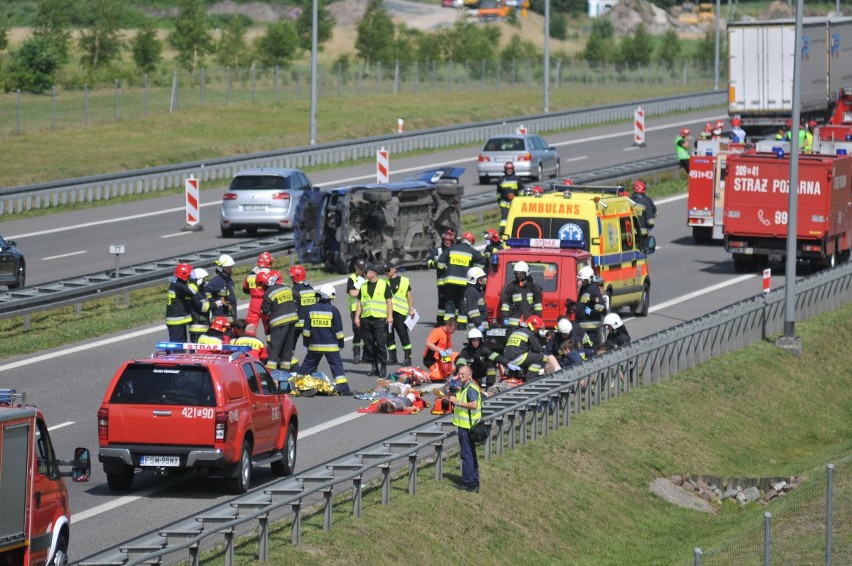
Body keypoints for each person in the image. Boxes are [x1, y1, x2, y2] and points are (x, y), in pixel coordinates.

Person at [298, 285, 351, 395]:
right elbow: (339, 332)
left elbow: (306, 331)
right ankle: (343, 388)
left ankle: (298, 384)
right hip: (331, 346)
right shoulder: (333, 310)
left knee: (308, 365)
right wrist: (341, 343)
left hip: (314, 345)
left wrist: (306, 344)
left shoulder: (311, 309)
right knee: (336, 366)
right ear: (330, 296)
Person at [355, 264, 394, 378]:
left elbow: (389, 301)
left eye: (366, 272)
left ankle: (383, 367)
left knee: (381, 343)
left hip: (380, 319)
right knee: (369, 344)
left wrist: (390, 316)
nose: (365, 274)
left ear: (373, 273)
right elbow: (359, 303)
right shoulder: (363, 286)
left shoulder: (383, 284)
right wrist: (357, 317)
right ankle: (374, 367)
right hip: (366, 319)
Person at [437, 231, 484, 322]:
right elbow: (482, 261)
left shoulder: (451, 248)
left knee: (450, 302)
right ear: (471, 241)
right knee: (462, 302)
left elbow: (440, 263)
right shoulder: (472, 251)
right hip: (464, 282)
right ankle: (462, 324)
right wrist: (474, 270)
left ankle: (449, 322)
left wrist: (446, 268)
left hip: (450, 282)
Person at [449, 364, 482, 493]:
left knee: (467, 455)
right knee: (471, 455)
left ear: (470, 375)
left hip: (467, 427)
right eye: (460, 373)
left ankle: (468, 483)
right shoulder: (465, 387)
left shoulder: (470, 389)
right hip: (468, 426)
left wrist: (457, 402)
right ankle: (474, 482)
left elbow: (474, 405)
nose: (461, 375)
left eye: (463, 373)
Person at [261, 269, 299, 371]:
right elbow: (298, 296)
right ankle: (285, 371)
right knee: (287, 347)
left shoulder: (268, 292)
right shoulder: (286, 288)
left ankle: (271, 372)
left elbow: (265, 310)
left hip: (278, 323)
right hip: (292, 321)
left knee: (275, 348)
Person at [384, 261, 415, 366]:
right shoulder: (384, 283)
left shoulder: (404, 281)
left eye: (388, 270)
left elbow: (409, 296)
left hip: (400, 313)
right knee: (389, 335)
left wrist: (411, 309)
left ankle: (408, 357)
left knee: (403, 334)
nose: (386, 273)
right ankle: (392, 357)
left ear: (394, 269)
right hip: (388, 313)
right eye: (384, 271)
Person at [499, 261, 542, 328]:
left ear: (526, 273)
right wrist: (505, 317)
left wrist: (538, 318)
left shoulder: (533, 287)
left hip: (529, 322)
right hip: (514, 322)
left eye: (521, 273)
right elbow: (505, 303)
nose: (519, 275)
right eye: (517, 273)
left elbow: (537, 305)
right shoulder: (510, 286)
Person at [427, 229, 456, 325]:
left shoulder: (456, 250)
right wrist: (436, 264)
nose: (447, 242)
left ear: (452, 241)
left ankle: (453, 321)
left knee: (453, 302)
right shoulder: (437, 251)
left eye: (449, 240)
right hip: (442, 282)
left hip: (454, 282)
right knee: (442, 303)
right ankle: (440, 322)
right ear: (443, 240)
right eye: (446, 240)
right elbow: (428, 262)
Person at [575, 265, 606, 347]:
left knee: (592, 347)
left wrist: (591, 312)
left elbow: (601, 305)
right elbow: (583, 303)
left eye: (583, 279)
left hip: (591, 326)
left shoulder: (592, 289)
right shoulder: (584, 288)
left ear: (588, 279)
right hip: (584, 325)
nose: (581, 281)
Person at [165, 263, 197, 342]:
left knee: (181, 345)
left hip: (176, 320)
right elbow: (192, 292)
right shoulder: (178, 286)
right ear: (184, 275)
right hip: (176, 320)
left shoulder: (175, 283)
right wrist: (194, 279)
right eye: (189, 275)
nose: (189, 277)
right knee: (178, 347)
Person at [243, 252, 273, 331]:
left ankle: (249, 341)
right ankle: (270, 342)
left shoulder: (251, 275)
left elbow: (245, 289)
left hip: (254, 302)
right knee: (268, 324)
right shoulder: (269, 274)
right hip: (266, 301)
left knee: (251, 325)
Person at [290, 265, 316, 352]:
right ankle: (311, 364)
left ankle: (290, 361)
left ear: (296, 277)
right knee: (309, 345)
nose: (291, 279)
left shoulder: (294, 289)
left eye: (292, 277)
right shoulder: (310, 288)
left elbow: (291, 307)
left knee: (291, 345)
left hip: (297, 324)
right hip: (309, 323)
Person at [347, 258, 368, 363]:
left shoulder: (367, 277)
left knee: (367, 332)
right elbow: (352, 293)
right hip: (355, 309)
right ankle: (356, 353)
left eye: (363, 268)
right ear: (356, 267)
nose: (362, 270)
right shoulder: (352, 278)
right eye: (360, 269)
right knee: (357, 332)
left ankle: (366, 354)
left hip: (367, 308)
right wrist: (364, 290)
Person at [206, 254, 237, 321]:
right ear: (221, 268)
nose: (230, 270)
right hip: (220, 318)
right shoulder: (216, 281)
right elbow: (206, 291)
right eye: (228, 268)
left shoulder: (230, 281)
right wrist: (214, 303)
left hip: (230, 316)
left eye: (231, 267)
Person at [497, 162, 523, 231]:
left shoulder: (517, 179)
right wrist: (499, 202)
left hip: (515, 204)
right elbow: (498, 192)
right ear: (505, 169)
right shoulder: (501, 179)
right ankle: (502, 231)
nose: (509, 170)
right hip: (504, 204)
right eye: (508, 168)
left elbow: (521, 191)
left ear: (513, 169)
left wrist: (519, 201)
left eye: (511, 168)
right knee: (504, 220)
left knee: (515, 218)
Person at [460, 266, 488, 331]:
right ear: (473, 279)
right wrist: (478, 324)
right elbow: (472, 310)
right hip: (475, 325)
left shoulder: (478, 290)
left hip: (481, 323)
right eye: (480, 279)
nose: (483, 281)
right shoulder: (471, 291)